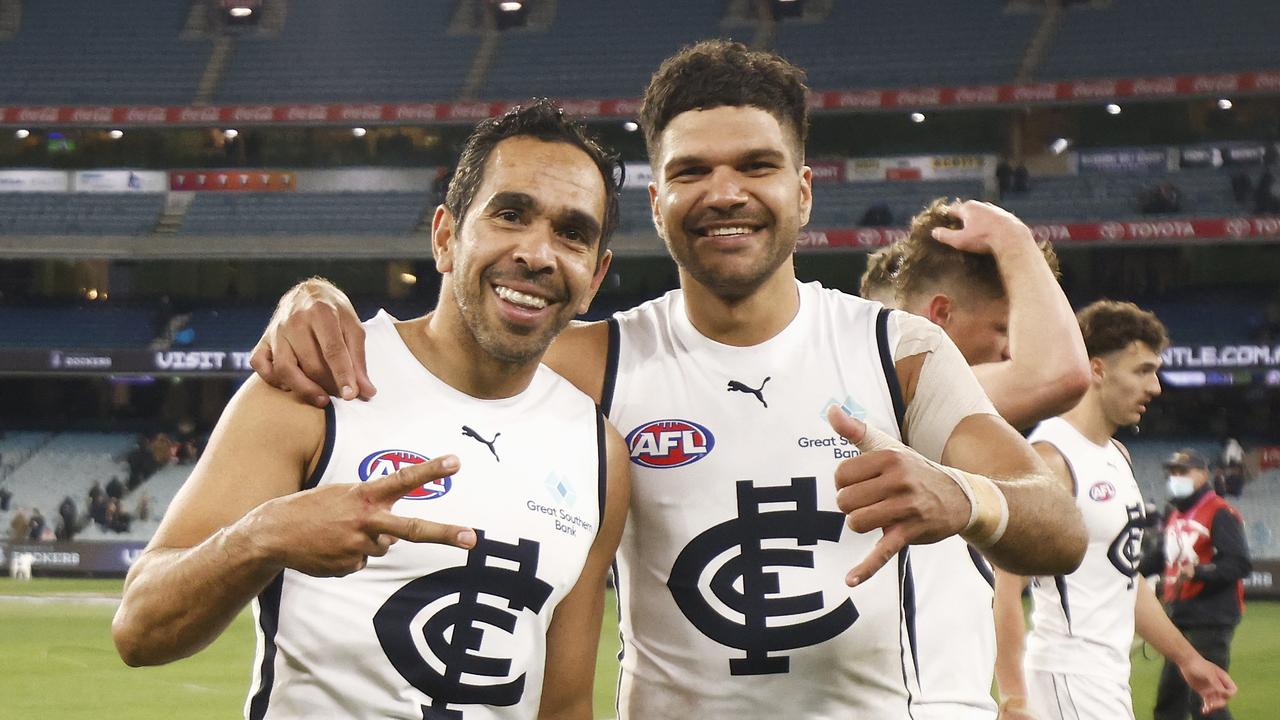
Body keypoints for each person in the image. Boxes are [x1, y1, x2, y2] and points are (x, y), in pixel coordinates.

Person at [248, 41, 1087, 718]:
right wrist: (310, 298)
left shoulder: (892, 350)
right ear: (656, 203)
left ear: (801, 193)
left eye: (756, 167)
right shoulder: (597, 360)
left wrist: (966, 499)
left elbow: (1058, 525)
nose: (724, 193)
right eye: (690, 172)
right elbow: (442, 342)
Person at [112, 100, 632, 720]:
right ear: (445, 236)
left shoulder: (600, 454)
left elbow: (565, 705)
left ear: (595, 277)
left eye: (572, 233)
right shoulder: (317, 385)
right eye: (510, 214)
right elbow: (140, 630)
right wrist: (263, 537)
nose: (538, 254)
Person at [873, 198, 1091, 719]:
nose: (1010, 350)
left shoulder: (898, 398)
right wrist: (1013, 239)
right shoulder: (888, 389)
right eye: (1001, 329)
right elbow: (1058, 374)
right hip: (914, 705)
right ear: (942, 314)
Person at [992, 301, 1237, 720]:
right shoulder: (1051, 460)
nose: (1156, 387)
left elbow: (1126, 579)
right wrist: (1014, 698)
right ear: (1098, 369)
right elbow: (1003, 589)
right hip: (1065, 678)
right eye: (1143, 370)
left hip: (1104, 680)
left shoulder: (1118, 456)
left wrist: (1187, 659)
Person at [1144, 448, 1251, 720]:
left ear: (1203, 474)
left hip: (1211, 617)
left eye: (1182, 472)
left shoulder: (1221, 512)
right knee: (1169, 702)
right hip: (1179, 616)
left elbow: (1239, 564)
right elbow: (1159, 558)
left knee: (1205, 701)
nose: (1175, 477)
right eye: (1172, 473)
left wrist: (1199, 571)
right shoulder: (1174, 513)